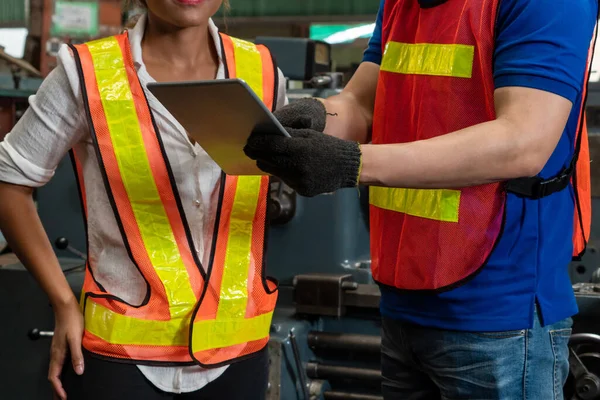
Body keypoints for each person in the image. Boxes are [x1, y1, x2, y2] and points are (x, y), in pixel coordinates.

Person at [244, 0, 597, 398]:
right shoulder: (401, 3)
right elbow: (362, 103)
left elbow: (522, 143)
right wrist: (316, 115)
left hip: (499, 315)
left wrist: (352, 162)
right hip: (402, 299)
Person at [0, 0, 287, 399]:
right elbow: (9, 180)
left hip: (239, 355)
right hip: (122, 363)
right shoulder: (84, 72)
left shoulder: (265, 72)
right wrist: (63, 302)